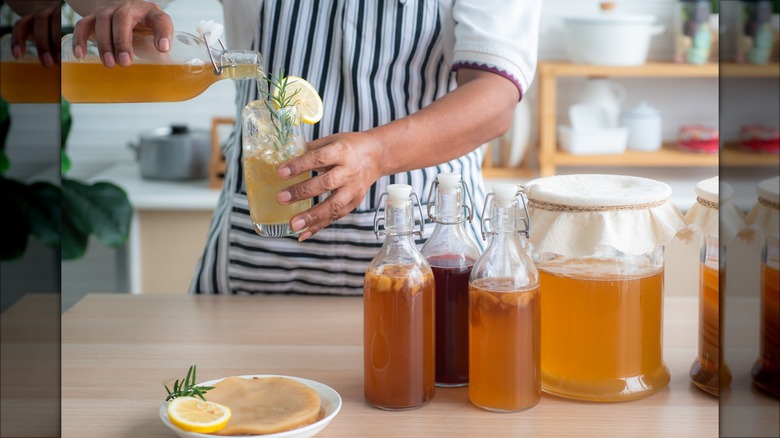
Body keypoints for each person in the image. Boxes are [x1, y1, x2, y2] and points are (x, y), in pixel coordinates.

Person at [66, 0, 541, 295]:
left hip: (429, 261)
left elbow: (495, 98)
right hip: (257, 261)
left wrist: (377, 153)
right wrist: (115, 7)